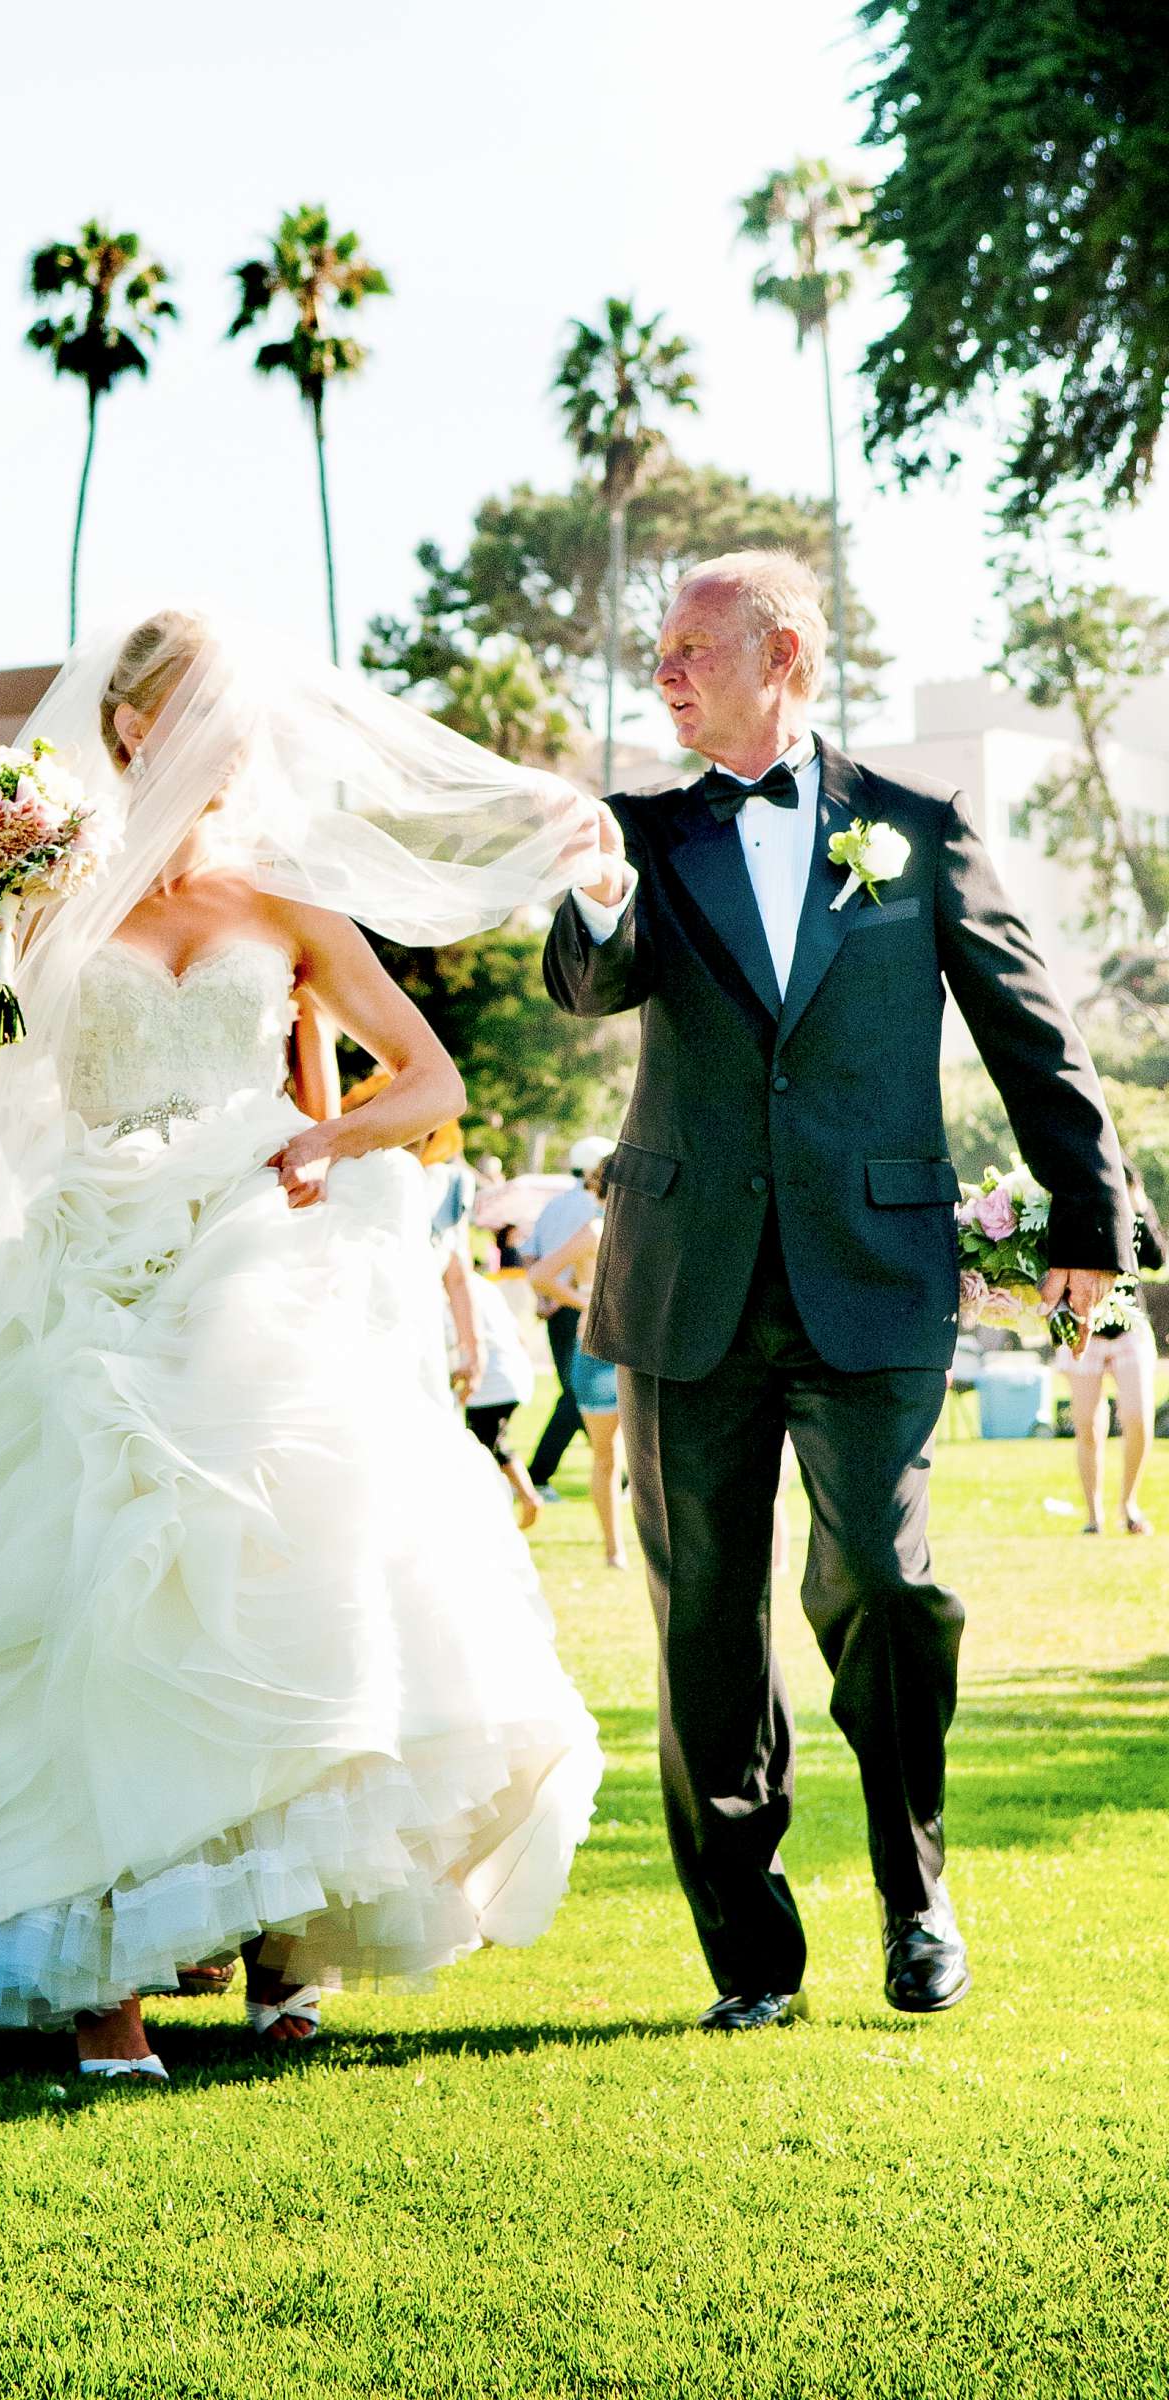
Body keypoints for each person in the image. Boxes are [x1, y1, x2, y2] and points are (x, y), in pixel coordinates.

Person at [0, 608, 604, 2086]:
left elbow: (432, 1077)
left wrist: (327, 1138)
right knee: (97, 1597)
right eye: (195, 709)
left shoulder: (285, 898)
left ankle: (287, 1950)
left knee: (299, 1573)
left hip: (260, 1254)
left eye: (240, 711)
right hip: (89, 1267)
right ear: (132, 724)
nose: (228, 736)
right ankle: (107, 1985)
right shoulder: (39, 890)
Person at [545, 547, 1133, 2031]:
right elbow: (586, 986)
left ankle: (915, 1889)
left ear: (784, 656)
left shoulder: (916, 829)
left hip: (875, 1275)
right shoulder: (636, 833)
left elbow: (1025, 1018)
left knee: (880, 1579)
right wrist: (603, 902)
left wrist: (1091, 1208)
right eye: (661, 653)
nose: (664, 673)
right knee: (704, 1630)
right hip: (686, 1284)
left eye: (691, 648)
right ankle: (750, 1951)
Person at [529, 1161, 628, 1569]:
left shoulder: (643, 1230)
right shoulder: (595, 1231)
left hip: (642, 1355)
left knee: (647, 1459)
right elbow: (541, 1274)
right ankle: (614, 1550)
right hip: (600, 1354)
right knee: (606, 1456)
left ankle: (655, 1549)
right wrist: (589, 1301)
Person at [1059, 1155, 1165, 1536]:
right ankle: (1093, 1515)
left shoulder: (1132, 1212)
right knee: (1087, 1423)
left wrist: (1140, 1207)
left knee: (1137, 1415)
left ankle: (1129, 1504)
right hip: (1085, 1325)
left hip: (1129, 1326)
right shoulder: (1078, 1204)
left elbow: (1155, 1258)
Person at [526, 1136, 615, 1503]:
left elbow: (531, 1255)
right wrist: (580, 1298)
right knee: (575, 1397)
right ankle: (539, 1473)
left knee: (573, 1394)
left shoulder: (553, 1204)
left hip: (564, 1307)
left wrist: (546, 1298)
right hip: (586, 1310)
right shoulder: (596, 1216)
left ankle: (551, 1472)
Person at [460, 1267, 540, 1527]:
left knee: (488, 1445)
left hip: (490, 1382)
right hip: (511, 1373)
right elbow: (516, 1329)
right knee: (489, 1443)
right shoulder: (485, 1286)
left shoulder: (453, 1292)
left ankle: (528, 1499)